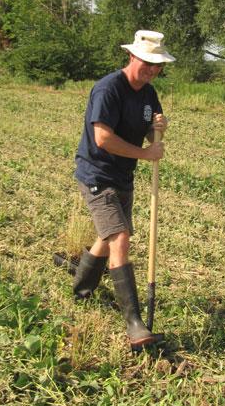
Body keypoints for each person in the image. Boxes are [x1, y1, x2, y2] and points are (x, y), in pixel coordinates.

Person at [73, 30, 175, 349]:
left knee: (109, 235)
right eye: (146, 62)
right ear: (132, 56)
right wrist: (147, 153)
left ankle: (81, 288)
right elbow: (103, 138)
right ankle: (134, 324)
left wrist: (155, 130)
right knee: (120, 237)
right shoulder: (108, 89)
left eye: (157, 65)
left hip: (123, 176)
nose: (151, 70)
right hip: (97, 172)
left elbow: (146, 134)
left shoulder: (148, 93)